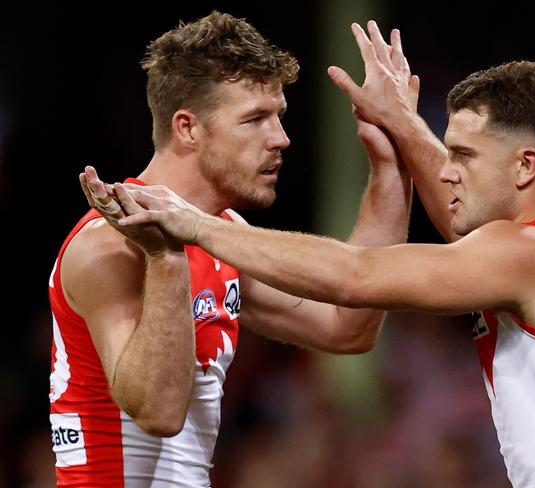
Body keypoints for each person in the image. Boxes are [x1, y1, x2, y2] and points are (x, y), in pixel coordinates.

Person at [91, 21, 535, 488]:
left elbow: (352, 278)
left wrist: (193, 226)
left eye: (464, 155)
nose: (447, 170)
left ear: (526, 166)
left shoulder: (534, 251)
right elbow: (356, 320)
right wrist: (402, 129)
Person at [50, 11, 417, 486]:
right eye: (254, 119)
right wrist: (166, 257)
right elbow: (159, 412)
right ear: (188, 128)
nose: (281, 139)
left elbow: (349, 328)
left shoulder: (221, 233)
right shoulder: (109, 244)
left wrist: (390, 158)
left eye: (278, 117)